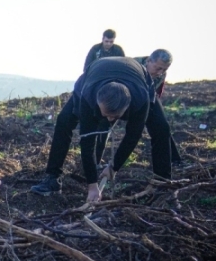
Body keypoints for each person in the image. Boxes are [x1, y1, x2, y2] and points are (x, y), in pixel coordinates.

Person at [31, 51, 174, 197]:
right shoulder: (87, 98)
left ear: (127, 109)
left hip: (137, 78)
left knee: (162, 128)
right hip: (93, 76)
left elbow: (132, 137)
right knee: (64, 121)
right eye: (107, 116)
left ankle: (162, 182)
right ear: (98, 105)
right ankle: (52, 179)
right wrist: (92, 185)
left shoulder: (140, 100)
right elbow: (87, 143)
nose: (111, 121)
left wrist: (114, 166)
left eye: (115, 117)